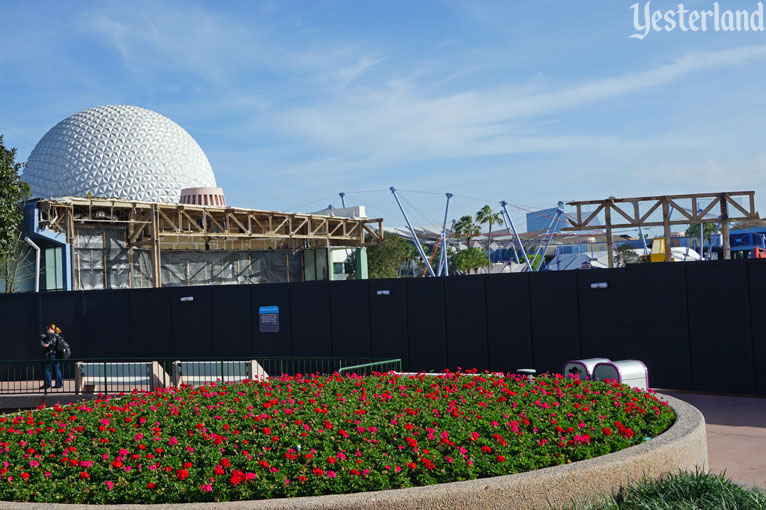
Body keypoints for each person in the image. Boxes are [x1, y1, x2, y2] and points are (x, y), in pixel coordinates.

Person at [40, 324, 63, 389]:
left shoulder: (50, 336)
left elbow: (46, 345)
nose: (47, 330)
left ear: (50, 329)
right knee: (56, 370)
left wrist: (42, 341)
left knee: (46, 369)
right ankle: (59, 384)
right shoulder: (57, 336)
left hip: (50, 355)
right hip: (57, 355)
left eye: (47, 329)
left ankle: (47, 384)